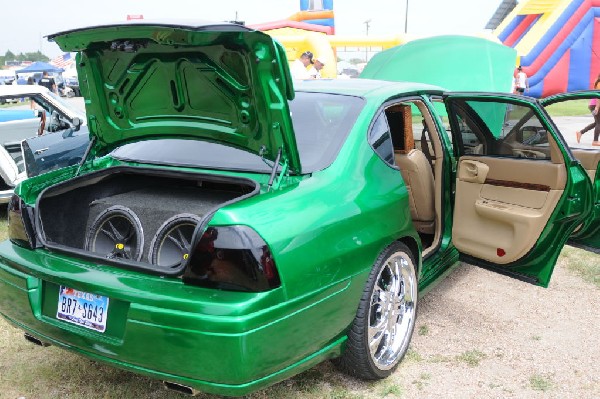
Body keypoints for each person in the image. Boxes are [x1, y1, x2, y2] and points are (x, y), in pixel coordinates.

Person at [576, 74, 600, 146]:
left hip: (595, 105)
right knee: (599, 123)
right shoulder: (599, 83)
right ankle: (595, 141)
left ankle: (580, 133)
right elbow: (598, 96)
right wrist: (597, 107)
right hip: (595, 105)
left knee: (597, 123)